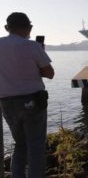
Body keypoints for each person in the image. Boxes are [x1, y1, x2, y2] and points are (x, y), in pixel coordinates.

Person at [0, 12, 54, 177]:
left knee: (20, 144)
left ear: (7, 28)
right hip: (32, 101)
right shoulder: (32, 46)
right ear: (29, 28)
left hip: (7, 103)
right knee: (36, 147)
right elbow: (49, 73)